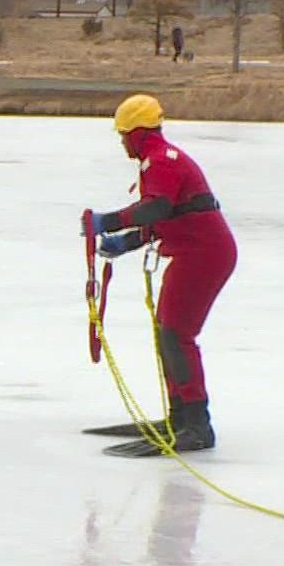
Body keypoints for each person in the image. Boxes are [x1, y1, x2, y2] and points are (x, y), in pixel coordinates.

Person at [81, 94, 237, 455]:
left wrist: (109, 221)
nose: (121, 142)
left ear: (136, 132)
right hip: (192, 252)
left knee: (176, 334)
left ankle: (197, 425)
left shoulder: (161, 161)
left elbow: (158, 207)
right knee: (167, 331)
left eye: (123, 135)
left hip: (203, 255)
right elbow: (170, 214)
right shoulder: (158, 160)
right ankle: (180, 416)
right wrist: (125, 242)